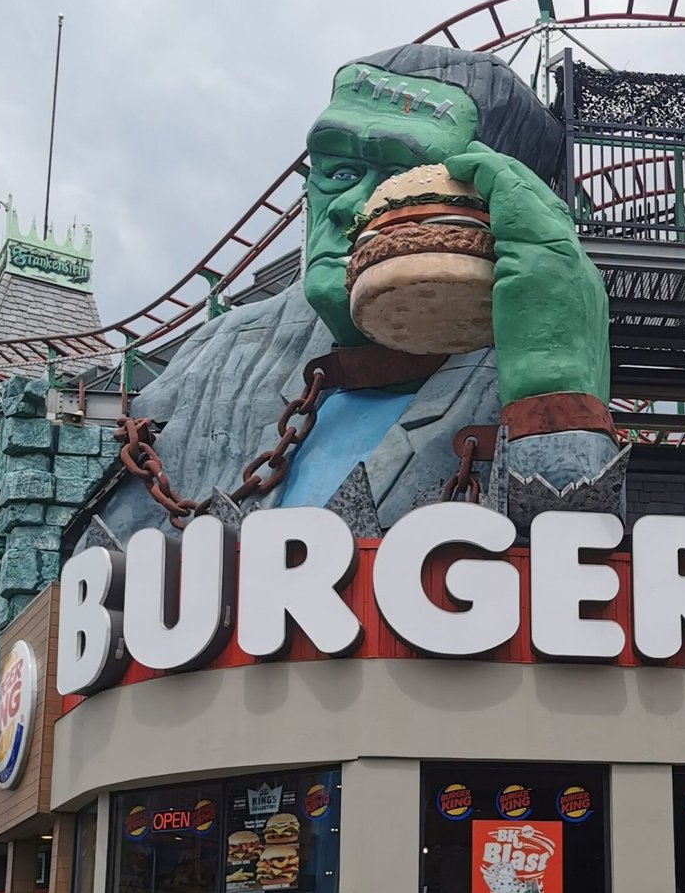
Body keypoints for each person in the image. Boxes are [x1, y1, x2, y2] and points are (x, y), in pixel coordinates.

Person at [87, 43, 620, 557]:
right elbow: (102, 566)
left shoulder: (539, 357)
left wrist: (555, 394)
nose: (345, 205)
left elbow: (576, 577)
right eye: (338, 173)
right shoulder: (216, 357)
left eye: (402, 177)